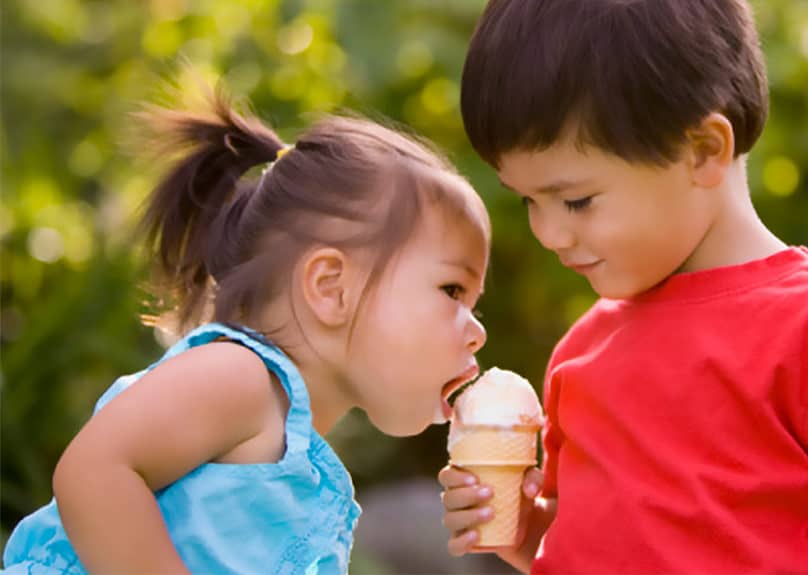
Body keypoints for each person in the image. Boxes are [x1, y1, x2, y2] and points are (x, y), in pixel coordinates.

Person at [439, 1, 808, 573]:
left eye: (576, 200)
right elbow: (574, 545)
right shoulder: (581, 354)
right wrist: (510, 526)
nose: (548, 232)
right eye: (528, 201)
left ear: (704, 150)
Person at [3, 81, 490, 574]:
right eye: (452, 291)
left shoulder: (302, 460)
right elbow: (94, 471)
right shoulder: (239, 376)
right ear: (330, 287)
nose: (477, 332)